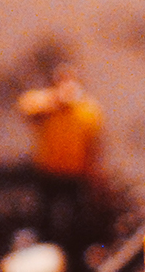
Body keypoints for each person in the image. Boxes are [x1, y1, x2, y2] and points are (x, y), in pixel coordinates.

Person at [16, 66, 104, 243]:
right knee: (45, 217)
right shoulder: (46, 106)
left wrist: (93, 173)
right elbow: (26, 108)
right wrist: (55, 100)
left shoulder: (87, 109)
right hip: (49, 172)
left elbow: (94, 144)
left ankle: (75, 250)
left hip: (76, 174)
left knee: (76, 218)